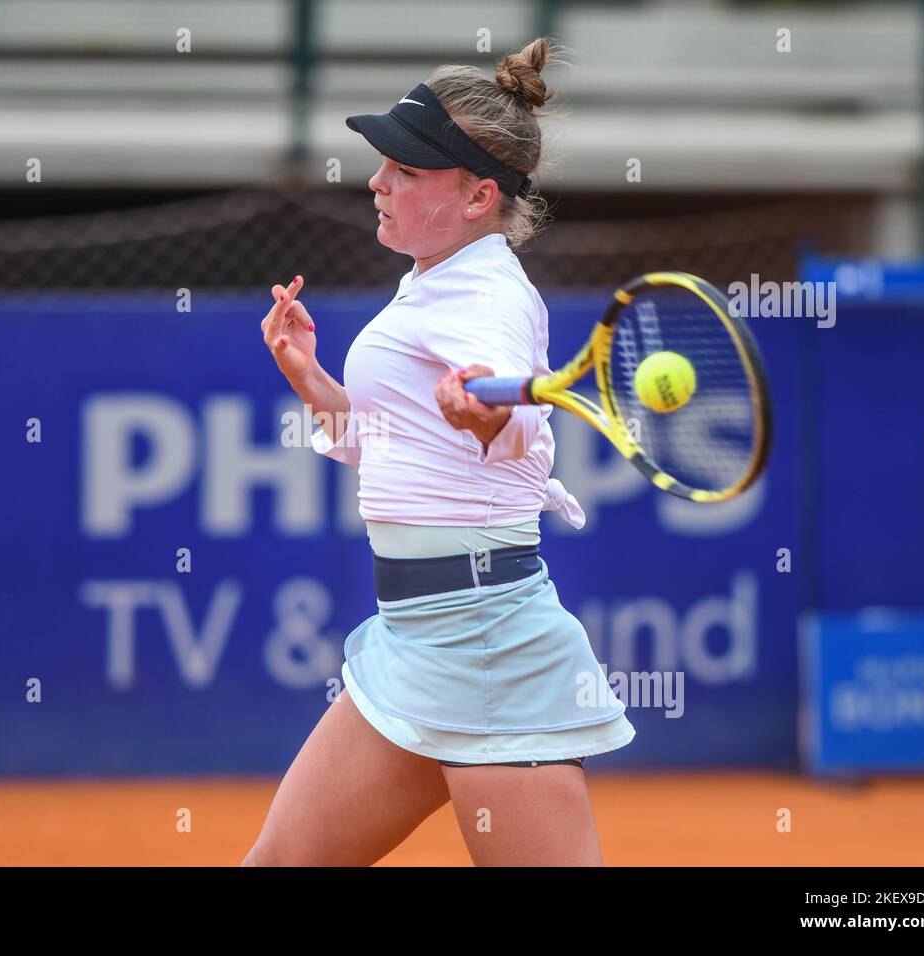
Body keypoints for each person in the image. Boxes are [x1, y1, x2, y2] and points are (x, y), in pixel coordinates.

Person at [246, 37, 634, 867]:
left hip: (487, 640)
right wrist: (313, 382)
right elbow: (399, 450)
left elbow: (519, 421)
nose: (379, 182)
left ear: (477, 196)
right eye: (384, 163)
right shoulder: (434, 278)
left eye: (407, 171)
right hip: (417, 639)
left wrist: (488, 416)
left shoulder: (487, 294)